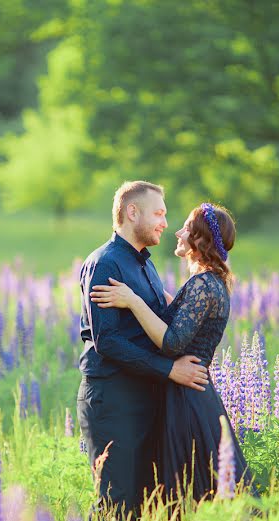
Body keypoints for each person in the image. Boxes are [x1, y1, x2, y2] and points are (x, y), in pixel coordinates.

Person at [90, 202, 252, 503]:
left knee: (189, 492)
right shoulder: (207, 282)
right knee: (190, 491)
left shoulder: (204, 284)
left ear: (199, 240)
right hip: (188, 392)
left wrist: (132, 300)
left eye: (187, 228)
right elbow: (176, 315)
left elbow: (173, 342)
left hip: (187, 396)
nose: (177, 231)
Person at [77, 181, 211, 521]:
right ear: (131, 212)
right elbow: (107, 341)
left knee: (145, 502)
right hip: (113, 398)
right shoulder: (105, 263)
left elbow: (163, 320)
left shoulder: (145, 266)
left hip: (145, 397)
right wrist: (169, 370)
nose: (166, 222)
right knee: (115, 500)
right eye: (159, 213)